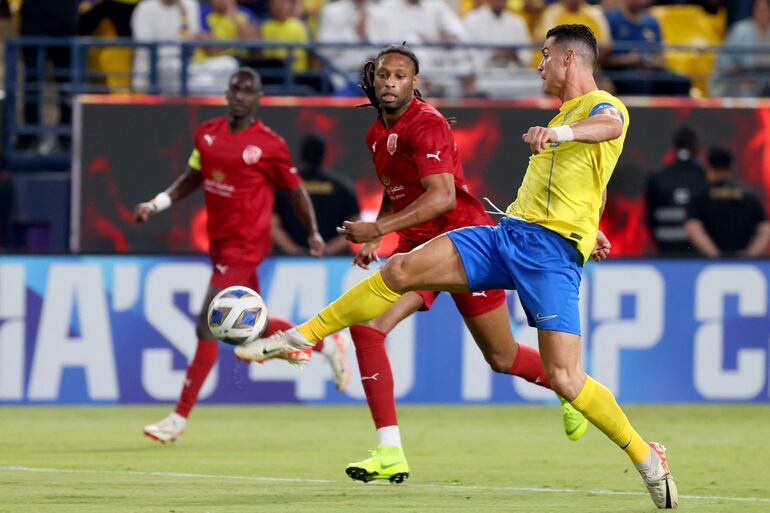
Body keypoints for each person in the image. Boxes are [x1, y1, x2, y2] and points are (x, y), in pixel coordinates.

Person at [237, 26, 679, 510]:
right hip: (506, 236)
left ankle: (646, 456)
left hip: (551, 259)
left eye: (545, 55)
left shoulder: (601, 106)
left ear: (569, 60)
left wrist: (563, 137)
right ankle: (301, 337)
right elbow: (582, 183)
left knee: (567, 379)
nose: (539, 65)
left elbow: (610, 126)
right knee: (400, 270)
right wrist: (588, 222)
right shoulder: (559, 115)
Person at [134, 68, 350, 444]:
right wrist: (156, 204)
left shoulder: (270, 144)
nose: (239, 95)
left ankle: (177, 419)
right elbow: (191, 177)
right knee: (253, 325)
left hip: (246, 245)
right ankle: (325, 342)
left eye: (247, 90)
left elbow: (296, 191)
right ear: (227, 92)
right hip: (220, 244)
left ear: (258, 97)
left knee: (208, 323)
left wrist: (314, 232)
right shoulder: (207, 134)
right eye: (235, 88)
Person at [272, 134, 361, 256]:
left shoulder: (285, 185)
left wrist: (295, 251)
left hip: (289, 262)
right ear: (324, 155)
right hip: (335, 261)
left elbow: (273, 225)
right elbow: (355, 224)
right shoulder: (342, 185)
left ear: (300, 155)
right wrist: (328, 250)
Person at [685, 146, 770, 257]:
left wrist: (715, 255)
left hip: (710, 265)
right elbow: (765, 228)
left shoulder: (701, 196)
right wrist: (750, 256)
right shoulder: (748, 195)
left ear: (708, 166)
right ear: (731, 166)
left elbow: (693, 227)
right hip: (743, 265)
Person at [604, 0, 691, 96]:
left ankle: (677, 110)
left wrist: (650, 61)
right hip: (621, 72)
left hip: (650, 70)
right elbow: (604, 59)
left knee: (681, 81)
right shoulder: (611, 20)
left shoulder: (652, 23)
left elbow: (660, 57)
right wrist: (629, 59)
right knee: (638, 82)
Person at [645, 126, 707, 256]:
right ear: (696, 145)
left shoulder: (657, 176)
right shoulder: (704, 176)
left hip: (665, 248)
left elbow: (649, 216)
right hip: (697, 251)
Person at [710, 0, 770, 97]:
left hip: (766, 79)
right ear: (753, 10)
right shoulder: (740, 29)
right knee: (743, 89)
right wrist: (743, 77)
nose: (762, 13)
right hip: (742, 78)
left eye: (765, 9)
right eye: (759, 9)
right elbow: (725, 61)